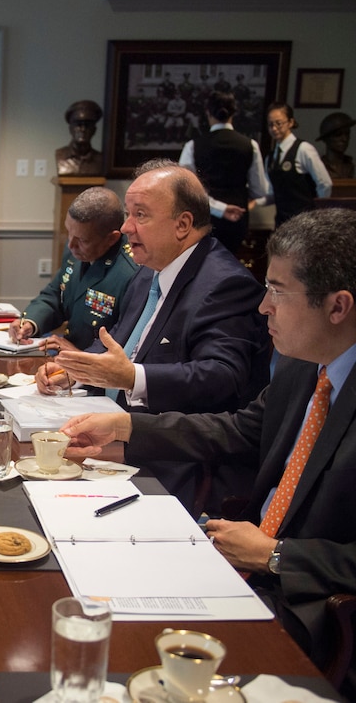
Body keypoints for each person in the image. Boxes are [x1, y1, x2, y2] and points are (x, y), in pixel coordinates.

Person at [59, 209, 356, 697]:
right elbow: (238, 429)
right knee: (84, 595)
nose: (264, 308)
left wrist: (279, 555)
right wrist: (128, 425)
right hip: (234, 563)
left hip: (303, 610)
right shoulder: (307, 368)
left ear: (338, 306)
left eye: (278, 291)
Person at [36, 160, 270, 511]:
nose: (127, 227)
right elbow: (117, 339)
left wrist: (133, 377)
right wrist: (74, 367)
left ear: (183, 224)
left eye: (140, 215)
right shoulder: (149, 272)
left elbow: (222, 376)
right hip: (113, 435)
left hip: (175, 463)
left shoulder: (225, 284)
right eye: (128, 214)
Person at [8, 187, 137, 349]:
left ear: (112, 238)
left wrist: (77, 355)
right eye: (69, 232)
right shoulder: (76, 249)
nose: (71, 245)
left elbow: (126, 345)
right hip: (66, 356)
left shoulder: (130, 274)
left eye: (83, 240)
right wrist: (30, 322)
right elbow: (55, 295)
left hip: (93, 365)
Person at [178, 91, 269, 256]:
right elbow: (260, 190)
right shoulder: (250, 145)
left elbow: (186, 190)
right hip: (237, 219)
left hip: (203, 220)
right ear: (234, 112)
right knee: (231, 268)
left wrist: (219, 208)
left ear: (208, 112)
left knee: (201, 268)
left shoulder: (193, 146)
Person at [260, 103, 332, 227]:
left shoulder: (304, 149)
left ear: (290, 122)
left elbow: (325, 183)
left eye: (279, 123)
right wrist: (251, 202)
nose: (274, 128)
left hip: (305, 221)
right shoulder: (270, 157)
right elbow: (272, 193)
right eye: (270, 124)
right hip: (282, 221)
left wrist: (320, 214)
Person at [55, 100, 104, 176]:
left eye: (87, 125)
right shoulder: (61, 155)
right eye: (78, 125)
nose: (83, 129)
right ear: (70, 129)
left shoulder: (101, 159)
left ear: (94, 130)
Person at [318, 111, 355, 180]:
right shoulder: (318, 166)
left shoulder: (349, 165)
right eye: (338, 135)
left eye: (347, 134)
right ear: (325, 139)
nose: (344, 139)